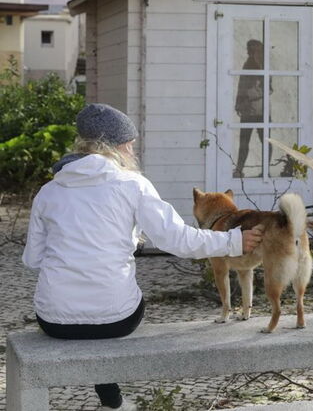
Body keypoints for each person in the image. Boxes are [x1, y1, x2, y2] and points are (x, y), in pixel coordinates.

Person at [22, 103, 264, 410]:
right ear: (118, 146)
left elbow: (32, 260)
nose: (134, 151)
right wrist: (233, 240)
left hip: (54, 319)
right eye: (131, 144)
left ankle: (114, 402)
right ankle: (114, 403)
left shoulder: (49, 192)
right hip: (117, 320)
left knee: (93, 304)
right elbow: (178, 240)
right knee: (108, 304)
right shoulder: (133, 185)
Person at [234, 39, 266, 178]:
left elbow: (267, 89)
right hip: (247, 110)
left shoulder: (263, 65)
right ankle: (239, 169)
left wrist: (248, 96)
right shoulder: (247, 65)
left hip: (260, 111)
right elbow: (241, 85)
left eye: (251, 49)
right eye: (248, 49)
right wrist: (238, 101)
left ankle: (266, 171)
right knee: (244, 141)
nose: (248, 51)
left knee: (265, 141)